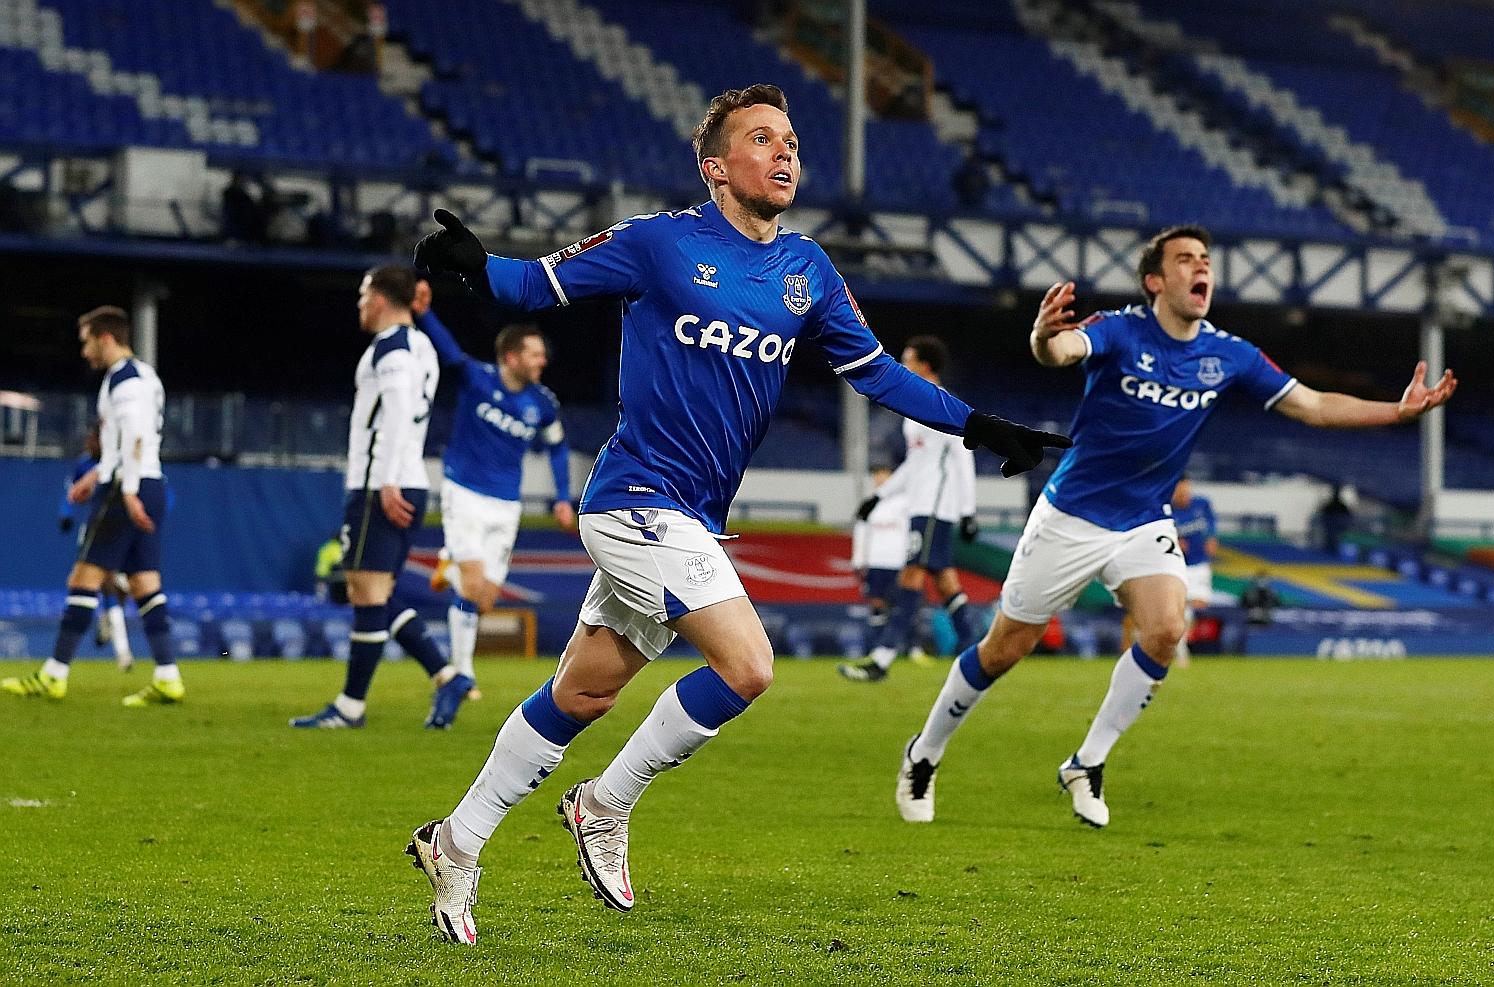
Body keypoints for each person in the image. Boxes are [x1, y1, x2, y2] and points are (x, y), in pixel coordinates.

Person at [403, 83, 1069, 944]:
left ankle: (455, 841)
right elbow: (535, 287)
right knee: (749, 666)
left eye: (791, 139)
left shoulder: (807, 272)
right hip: (634, 497)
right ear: (716, 166)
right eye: (762, 139)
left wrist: (980, 425)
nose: (786, 152)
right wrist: (475, 264)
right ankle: (604, 804)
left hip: (693, 514)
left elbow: (877, 375)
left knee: (585, 692)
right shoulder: (659, 242)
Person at [892, 224, 1457, 830]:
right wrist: (1042, 333)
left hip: (1145, 520)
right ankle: (923, 753)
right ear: (1156, 281)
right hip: (1071, 516)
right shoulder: (1119, 329)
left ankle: (1087, 762)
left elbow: (1313, 405)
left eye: (1206, 259)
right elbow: (1060, 352)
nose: (1200, 267)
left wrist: (1397, 411)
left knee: (1165, 630)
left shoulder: (1228, 354)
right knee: (1004, 650)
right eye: (1185, 259)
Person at [289, 265, 475, 730]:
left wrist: (386, 481)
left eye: (362, 294)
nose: (358, 305)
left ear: (378, 298)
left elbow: (393, 416)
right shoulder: (421, 347)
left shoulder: (389, 348)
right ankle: (446, 675)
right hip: (404, 477)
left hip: (381, 484)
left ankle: (351, 706)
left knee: (366, 593)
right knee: (378, 593)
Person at [4, 306, 183, 705]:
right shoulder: (144, 376)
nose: (83, 351)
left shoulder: (126, 381)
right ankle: (169, 676)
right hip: (143, 480)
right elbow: (125, 443)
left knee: (83, 579)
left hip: (127, 488)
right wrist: (96, 474)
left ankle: (54, 674)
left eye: (86, 341)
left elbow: (134, 436)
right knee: (144, 583)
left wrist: (127, 489)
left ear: (105, 338)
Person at [414, 282, 577, 700]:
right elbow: (450, 353)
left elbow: (557, 448)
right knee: (473, 583)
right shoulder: (478, 379)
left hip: (506, 503)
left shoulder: (543, 404)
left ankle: (449, 566)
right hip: (463, 490)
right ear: (511, 356)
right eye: (535, 354)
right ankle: (462, 673)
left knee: (483, 598)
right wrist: (425, 313)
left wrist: (562, 496)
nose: (543, 361)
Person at [839, 336, 980, 682]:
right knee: (945, 582)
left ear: (926, 366)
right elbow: (914, 466)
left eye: (908, 359)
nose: (902, 365)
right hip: (921, 506)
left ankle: (882, 659)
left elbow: (964, 456)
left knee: (911, 576)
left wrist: (968, 510)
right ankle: (975, 652)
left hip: (935, 507)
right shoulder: (912, 411)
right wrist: (880, 495)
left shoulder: (944, 404)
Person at [58, 422, 136, 671]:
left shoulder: (123, 463)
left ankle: (105, 620)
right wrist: (66, 513)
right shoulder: (84, 464)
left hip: (121, 532)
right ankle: (123, 653)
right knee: (106, 588)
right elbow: (70, 492)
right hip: (94, 532)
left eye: (94, 438)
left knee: (122, 587)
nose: (89, 442)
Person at [849, 465, 909, 652]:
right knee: (876, 603)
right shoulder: (869, 505)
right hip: (876, 562)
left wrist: (909, 558)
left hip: (897, 562)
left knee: (901, 604)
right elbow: (861, 533)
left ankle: (907, 647)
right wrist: (858, 560)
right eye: (877, 476)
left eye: (884, 475)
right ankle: (877, 645)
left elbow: (910, 531)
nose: (880, 479)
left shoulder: (903, 503)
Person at [1170, 476, 1217, 667]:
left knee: (1199, 603)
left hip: (1199, 564)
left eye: (1186, 492)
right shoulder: (1167, 510)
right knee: (1180, 607)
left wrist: (1212, 537)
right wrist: (1174, 540)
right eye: (1180, 493)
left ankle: (1179, 645)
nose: (1184, 496)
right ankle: (1181, 650)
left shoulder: (1202, 504)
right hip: (1177, 565)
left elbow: (1212, 521)